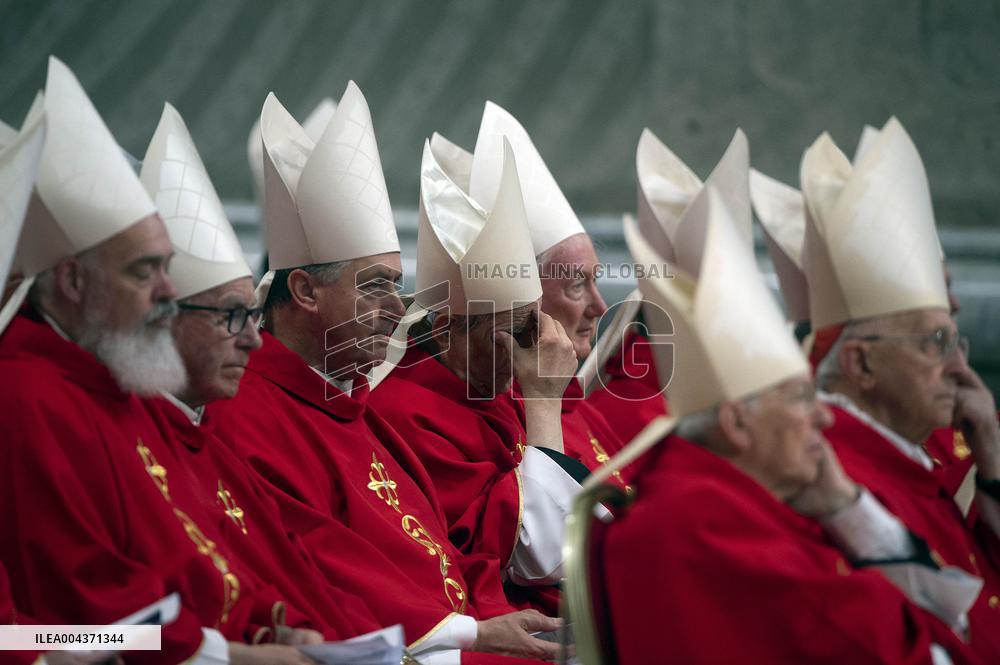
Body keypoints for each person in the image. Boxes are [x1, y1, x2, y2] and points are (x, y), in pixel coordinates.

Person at [210, 86, 560, 664]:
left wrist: (491, 622)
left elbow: (441, 552)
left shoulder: (352, 401)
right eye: (374, 286)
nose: (399, 310)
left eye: (396, 287)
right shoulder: (246, 412)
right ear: (304, 290)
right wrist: (473, 634)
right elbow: (324, 573)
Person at [566, 184, 981, 665]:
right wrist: (851, 512)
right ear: (737, 422)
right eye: (802, 396)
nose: (824, 415)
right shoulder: (708, 522)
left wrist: (842, 507)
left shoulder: (726, 497)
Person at [0, 57, 319, 665]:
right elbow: (63, 628)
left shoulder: (111, 388)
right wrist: (225, 657)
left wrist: (260, 629)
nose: (168, 293)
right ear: (71, 280)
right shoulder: (25, 397)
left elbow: (190, 563)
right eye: (144, 271)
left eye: (166, 269)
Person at [801, 117, 1000, 660]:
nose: (959, 367)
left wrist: (994, 468)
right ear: (862, 364)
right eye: (934, 342)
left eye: (955, 342)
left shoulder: (909, 460)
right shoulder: (833, 475)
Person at [369, 137, 585, 615]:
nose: (529, 352)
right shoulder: (406, 410)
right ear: (445, 327)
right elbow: (540, 555)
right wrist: (545, 400)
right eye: (512, 335)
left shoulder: (483, 382)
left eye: (534, 327)